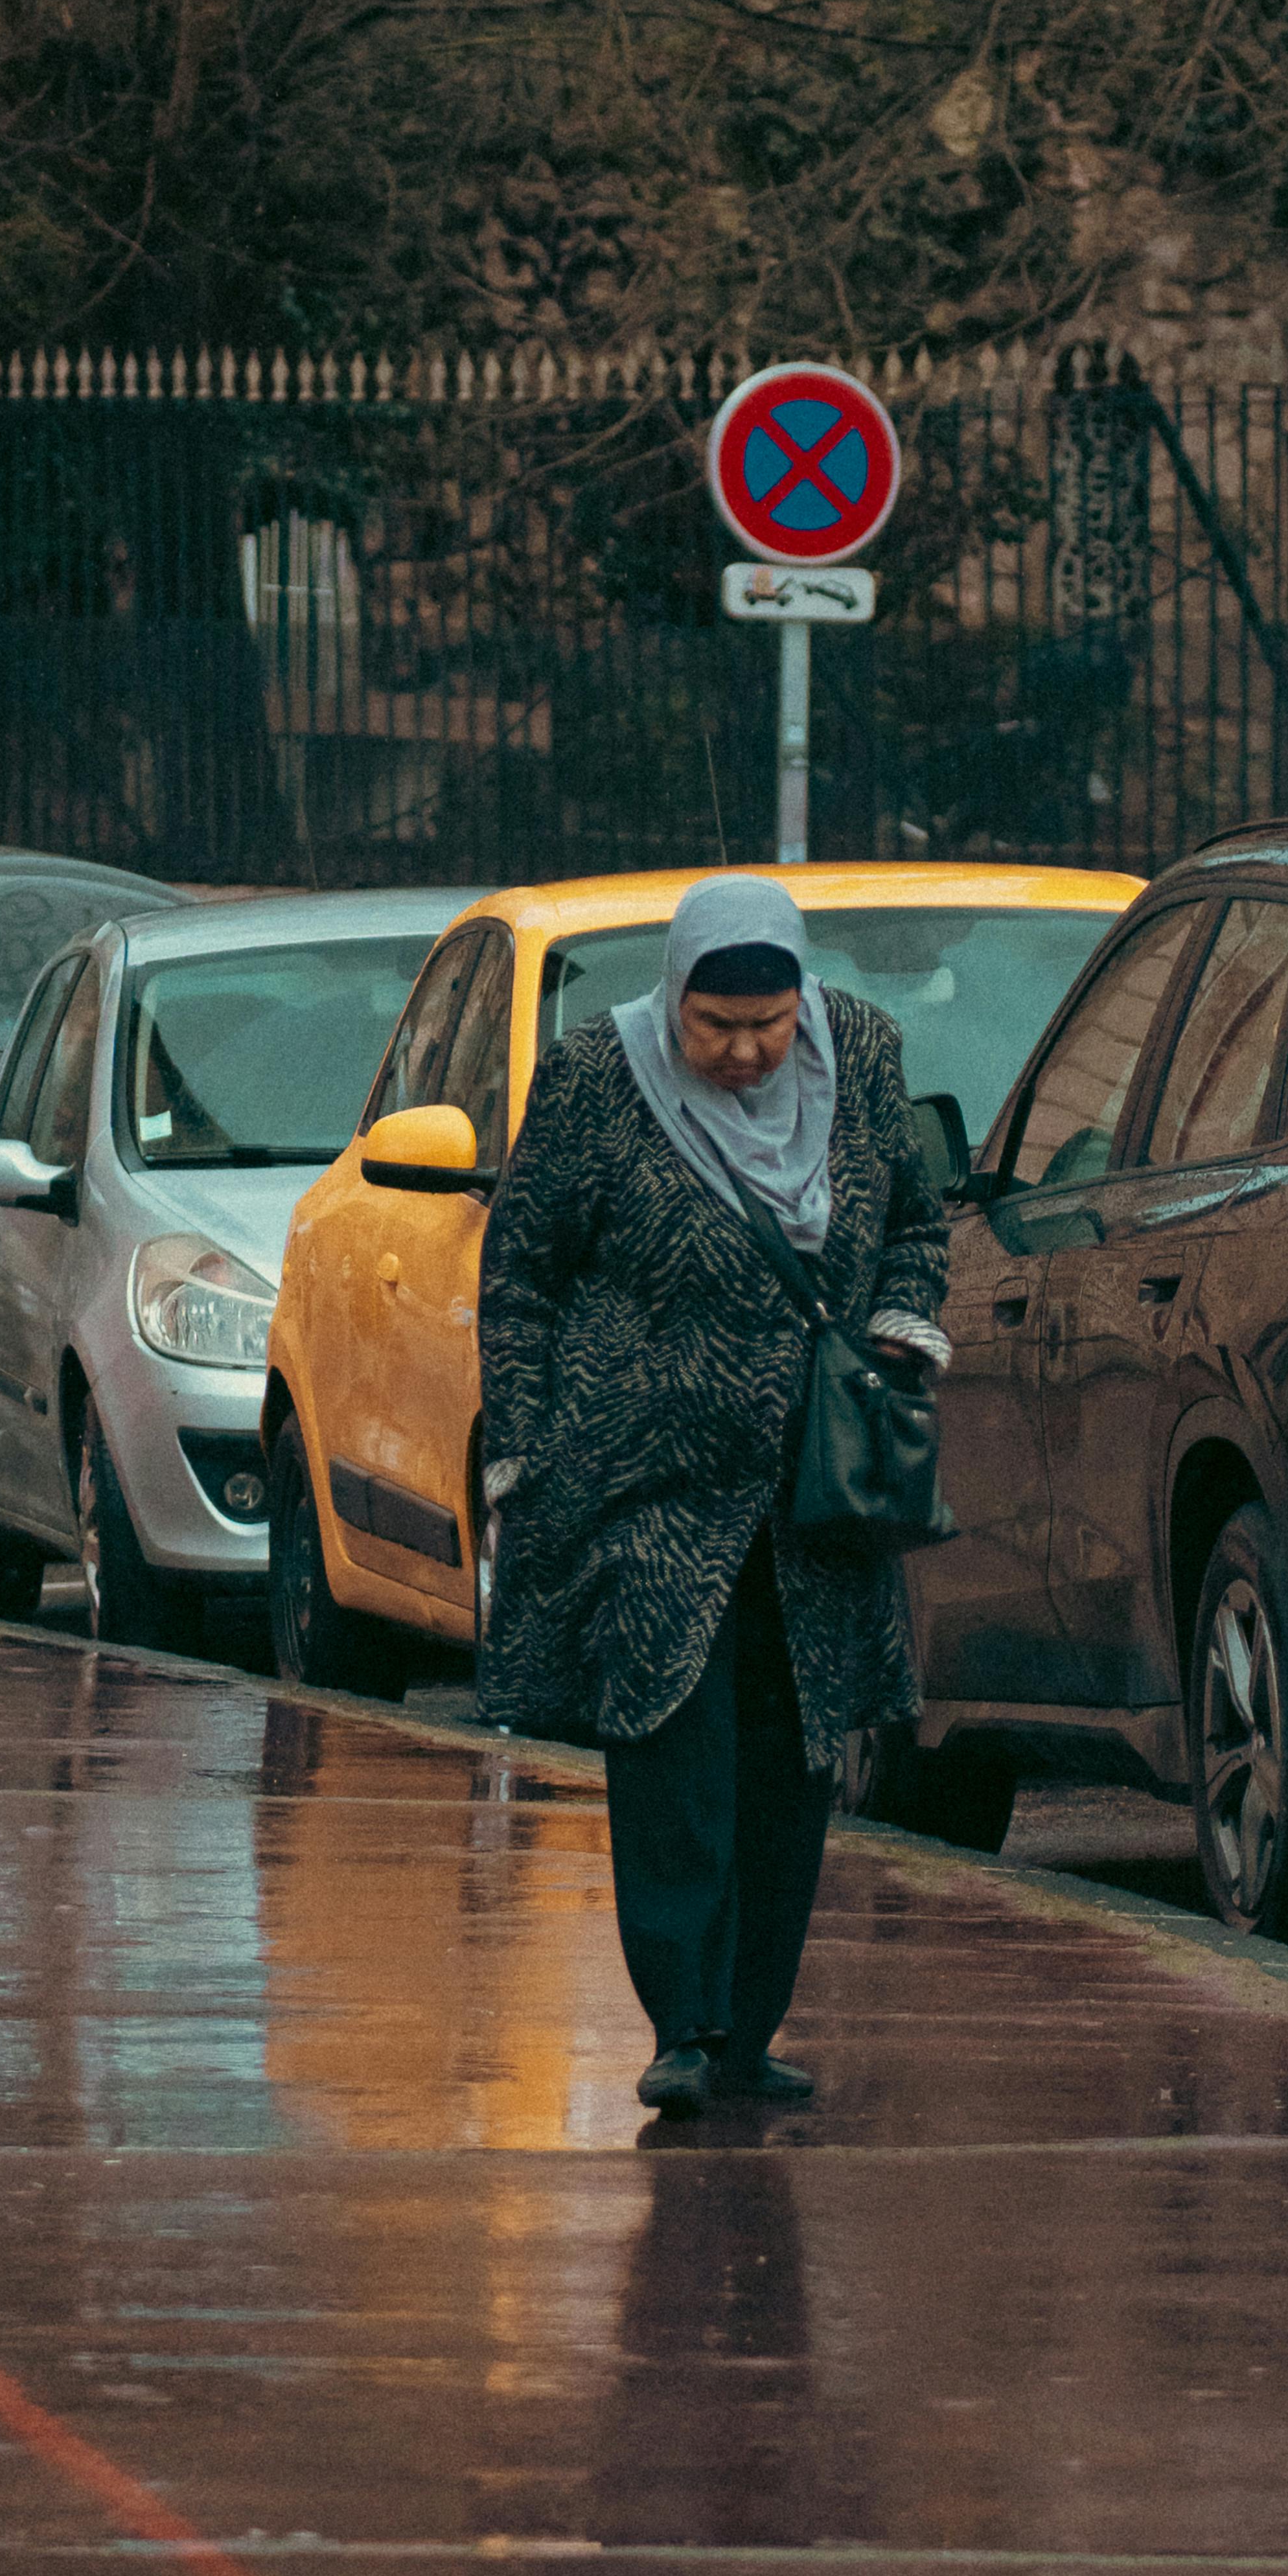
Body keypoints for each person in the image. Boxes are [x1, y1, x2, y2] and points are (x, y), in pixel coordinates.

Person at [477, 872, 951, 2117]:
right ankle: (681, 2026)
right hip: (649, 1476)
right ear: (673, 997)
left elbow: (915, 1218)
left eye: (767, 1026)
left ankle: (750, 2029)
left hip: (817, 1483)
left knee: (797, 1758)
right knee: (673, 1746)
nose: (744, 1052)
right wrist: (523, 1441)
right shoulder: (596, 1076)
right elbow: (522, 1267)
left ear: (802, 1000)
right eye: (716, 1028)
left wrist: (904, 1323)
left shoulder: (866, 1053)